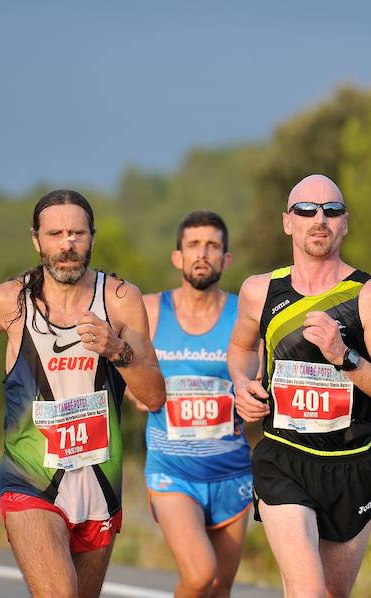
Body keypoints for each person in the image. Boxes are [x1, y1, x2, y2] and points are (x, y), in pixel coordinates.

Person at [0, 190, 166, 598]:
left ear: (92, 238)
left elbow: (155, 395)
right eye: (55, 234)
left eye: (77, 233)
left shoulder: (121, 300)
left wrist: (116, 350)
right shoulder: (8, 300)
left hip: (99, 484)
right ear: (36, 240)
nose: (67, 244)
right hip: (28, 478)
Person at [227, 174, 371, 597]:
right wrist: (241, 382)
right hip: (283, 459)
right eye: (306, 210)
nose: (319, 219)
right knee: (308, 590)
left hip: (350, 464)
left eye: (331, 211)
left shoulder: (368, 296)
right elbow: (240, 349)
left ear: (344, 223)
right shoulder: (260, 291)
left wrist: (343, 356)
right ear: (287, 222)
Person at [131, 210, 252, 598]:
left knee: (219, 589)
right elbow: (120, 363)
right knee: (200, 574)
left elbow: (257, 381)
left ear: (226, 259)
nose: (202, 253)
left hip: (232, 471)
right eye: (193, 245)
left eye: (213, 246)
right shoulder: (149, 310)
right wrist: (136, 387)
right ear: (177, 256)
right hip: (172, 472)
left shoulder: (245, 315)